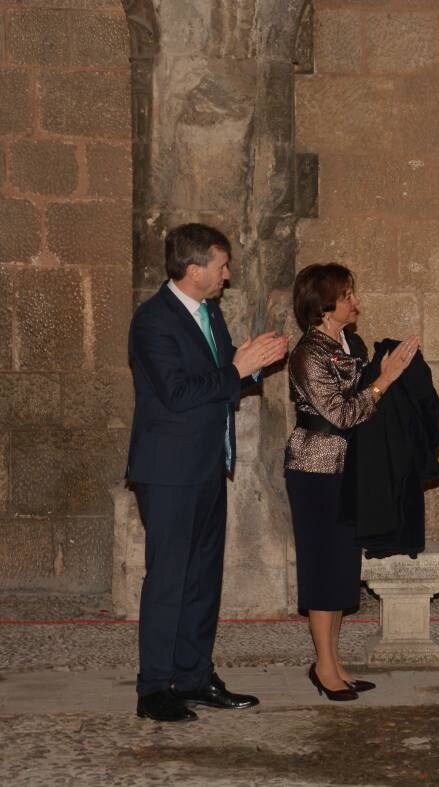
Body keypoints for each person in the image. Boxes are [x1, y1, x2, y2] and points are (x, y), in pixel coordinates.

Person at [127, 223, 288, 722]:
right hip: (168, 470)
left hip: (206, 466)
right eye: (222, 265)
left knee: (202, 580)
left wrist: (252, 364)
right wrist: (238, 369)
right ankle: (154, 687)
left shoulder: (209, 312)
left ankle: (194, 677)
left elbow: (220, 380)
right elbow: (178, 393)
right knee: (169, 580)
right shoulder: (153, 320)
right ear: (194, 270)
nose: (228, 273)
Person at [285, 263, 418, 701]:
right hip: (316, 470)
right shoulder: (309, 353)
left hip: (349, 471)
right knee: (323, 568)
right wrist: (383, 381)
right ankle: (324, 667)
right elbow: (341, 414)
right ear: (325, 305)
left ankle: (335, 662)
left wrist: (388, 375)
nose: (355, 301)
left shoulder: (351, 342)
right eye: (347, 294)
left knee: (343, 569)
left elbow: (362, 403)